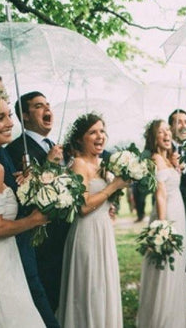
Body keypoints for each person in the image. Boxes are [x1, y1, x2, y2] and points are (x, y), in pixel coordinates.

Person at [58, 113, 128, 328]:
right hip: (87, 234)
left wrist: (110, 204)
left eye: (102, 131)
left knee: (103, 287)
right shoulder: (79, 164)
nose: (100, 136)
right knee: (90, 289)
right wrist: (113, 187)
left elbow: (100, 200)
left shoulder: (103, 163)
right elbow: (83, 207)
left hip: (104, 231)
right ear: (80, 139)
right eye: (93, 132)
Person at [0, 85, 47, 327]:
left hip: (7, 262)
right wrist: (34, 220)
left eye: (9, 115)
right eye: (0, 118)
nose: (10, 123)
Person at [6, 91, 62, 326]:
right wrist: (48, 164)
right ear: (24, 116)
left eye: (48, 104)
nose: (47, 109)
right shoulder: (17, 149)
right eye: (39, 106)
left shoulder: (56, 145)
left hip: (62, 236)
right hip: (40, 241)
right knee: (45, 297)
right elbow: (26, 196)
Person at [136, 119, 186, 327]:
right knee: (165, 268)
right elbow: (160, 194)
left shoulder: (169, 160)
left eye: (168, 130)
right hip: (167, 216)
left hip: (179, 215)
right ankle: (162, 319)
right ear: (154, 137)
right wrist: (163, 225)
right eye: (161, 132)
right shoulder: (156, 159)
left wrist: (176, 167)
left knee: (176, 267)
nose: (167, 135)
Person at [169, 109, 186, 238]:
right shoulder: (165, 150)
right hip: (172, 206)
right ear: (170, 127)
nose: (184, 126)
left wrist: (183, 168)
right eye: (178, 122)